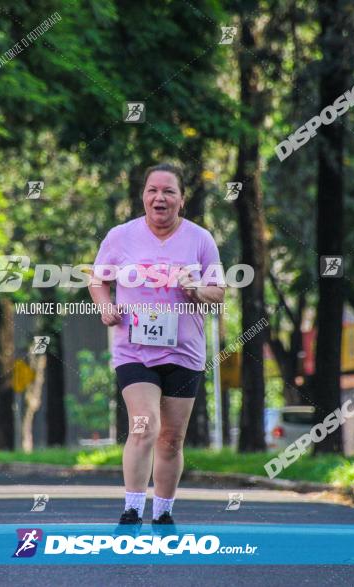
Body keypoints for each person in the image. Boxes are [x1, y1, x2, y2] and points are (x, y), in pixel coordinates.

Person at [89, 163, 225, 531]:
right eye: (152, 190)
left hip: (184, 351)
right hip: (134, 347)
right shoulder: (120, 236)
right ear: (143, 196)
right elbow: (98, 281)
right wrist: (105, 307)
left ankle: (163, 510)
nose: (159, 197)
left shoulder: (200, 239)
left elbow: (219, 292)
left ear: (181, 199)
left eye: (168, 191)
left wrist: (195, 289)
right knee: (144, 426)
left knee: (171, 438)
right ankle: (132, 507)